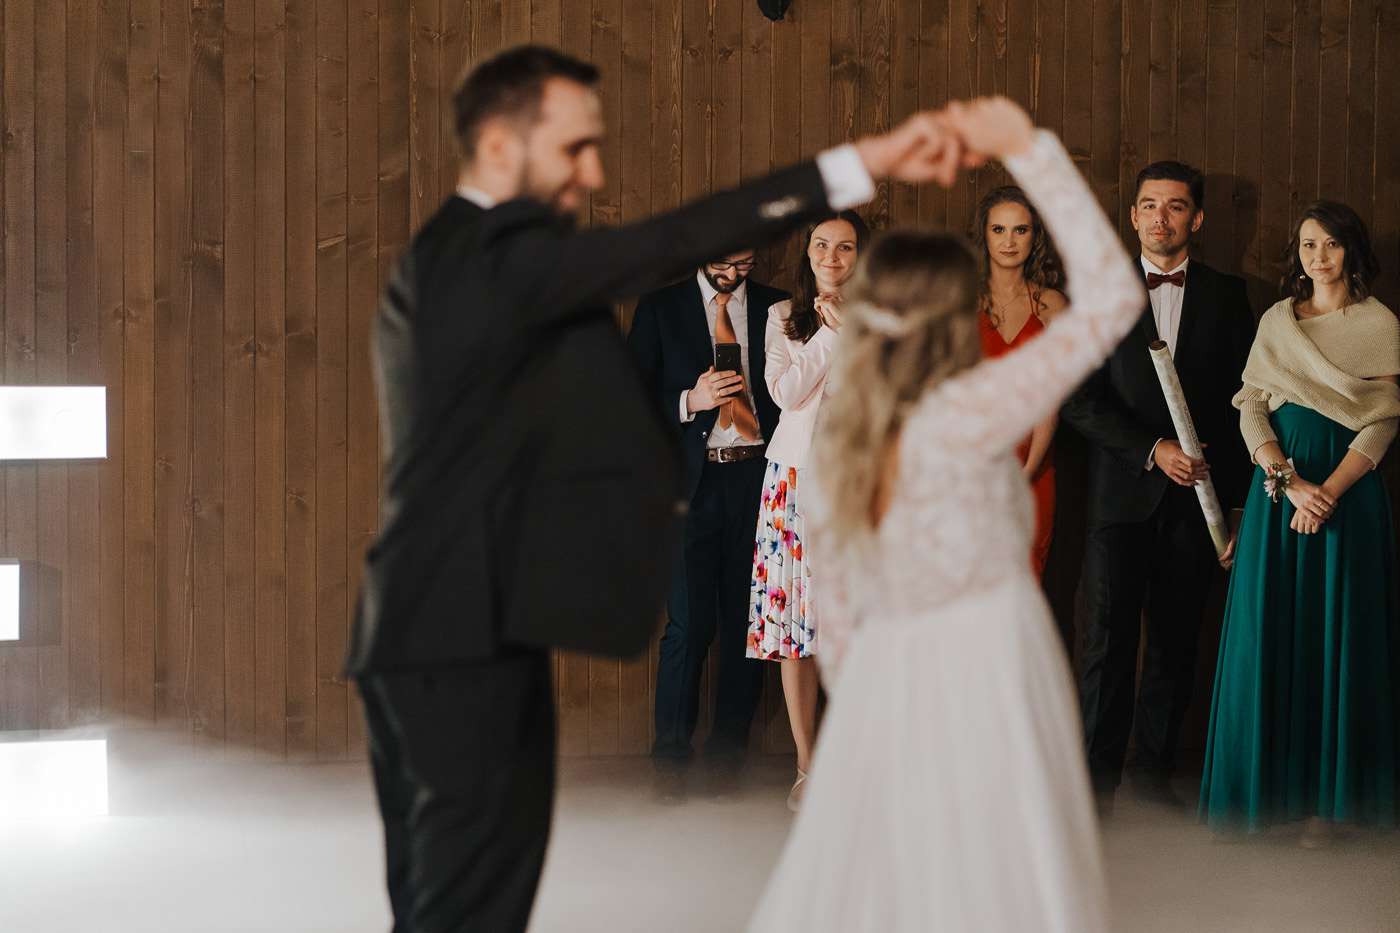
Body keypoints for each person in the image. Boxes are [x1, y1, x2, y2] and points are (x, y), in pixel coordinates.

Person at [344, 43, 974, 933]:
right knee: (463, 904)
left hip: (470, 623)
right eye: (574, 148)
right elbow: (677, 237)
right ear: (497, 148)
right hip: (450, 634)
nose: (594, 172)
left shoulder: (477, 262)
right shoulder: (482, 258)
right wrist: (863, 160)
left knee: (460, 901)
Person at [748, 97, 1144, 933]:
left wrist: (872, 706)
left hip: (890, 673)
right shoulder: (981, 406)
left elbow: (839, 625)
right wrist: (1028, 149)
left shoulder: (836, 449)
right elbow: (1115, 298)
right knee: (998, 868)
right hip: (997, 662)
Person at [1200, 200, 1400, 846]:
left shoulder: (1380, 324)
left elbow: (1384, 418)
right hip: (1278, 495)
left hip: (1349, 496)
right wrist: (1292, 486)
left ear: (1351, 250)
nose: (1319, 256)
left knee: (1337, 639)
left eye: (1332, 244)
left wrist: (1329, 492)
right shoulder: (1276, 321)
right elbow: (1250, 408)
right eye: (1309, 244)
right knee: (1269, 633)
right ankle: (1261, 799)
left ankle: (1326, 808)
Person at [1059, 159, 1256, 813]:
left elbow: (1245, 402)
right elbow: (1078, 400)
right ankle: (1096, 783)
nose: (1160, 218)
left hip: (1200, 504)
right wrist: (1152, 449)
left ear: (1196, 218)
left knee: (1176, 641)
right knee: (1106, 642)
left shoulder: (1229, 296)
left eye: (1175, 206)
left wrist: (1234, 505)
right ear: (1134, 215)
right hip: (1120, 497)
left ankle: (1152, 774)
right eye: (1149, 205)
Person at [626, 248, 787, 801]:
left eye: (745, 264)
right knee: (690, 625)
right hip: (690, 485)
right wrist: (687, 400)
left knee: (748, 625)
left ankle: (728, 757)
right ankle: (670, 757)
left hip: (760, 479)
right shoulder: (660, 307)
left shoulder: (779, 308)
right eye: (723, 262)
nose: (732, 274)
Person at [745, 210, 870, 810]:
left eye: (845, 247)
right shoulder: (781, 317)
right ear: (808, 252)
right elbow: (786, 394)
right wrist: (831, 334)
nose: (832, 257)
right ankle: (808, 765)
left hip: (860, 483)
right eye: (822, 245)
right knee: (798, 627)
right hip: (793, 484)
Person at [972, 186, 1067, 576]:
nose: (1009, 241)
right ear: (985, 235)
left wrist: (1027, 472)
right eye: (999, 229)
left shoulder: (1052, 305)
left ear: (1035, 236)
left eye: (1020, 230)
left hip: (1033, 468)